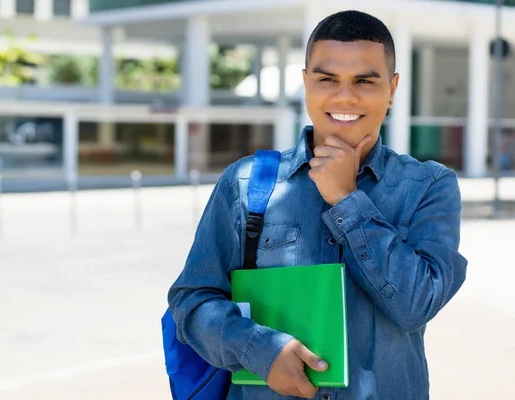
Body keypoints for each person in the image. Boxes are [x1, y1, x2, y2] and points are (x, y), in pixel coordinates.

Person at [167, 10, 467, 400]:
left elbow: (415, 306)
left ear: (392, 89)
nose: (345, 96)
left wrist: (346, 200)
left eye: (365, 80)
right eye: (327, 79)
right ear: (306, 82)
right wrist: (258, 349)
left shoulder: (429, 188)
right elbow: (192, 300)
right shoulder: (246, 184)